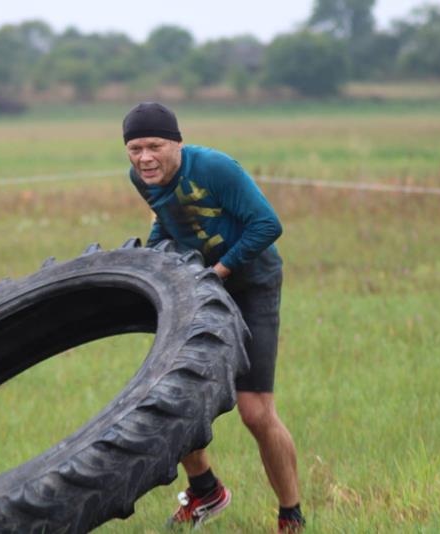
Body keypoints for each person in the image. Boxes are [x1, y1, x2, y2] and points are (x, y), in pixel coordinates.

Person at [122, 102, 306, 533]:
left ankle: (291, 516)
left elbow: (267, 225)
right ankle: (205, 490)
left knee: (255, 412)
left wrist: (219, 271)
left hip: (253, 284)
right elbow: (169, 223)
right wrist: (152, 263)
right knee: (173, 397)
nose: (145, 158)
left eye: (154, 146)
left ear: (177, 143)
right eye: (135, 148)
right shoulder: (140, 178)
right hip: (201, 287)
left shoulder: (215, 168)